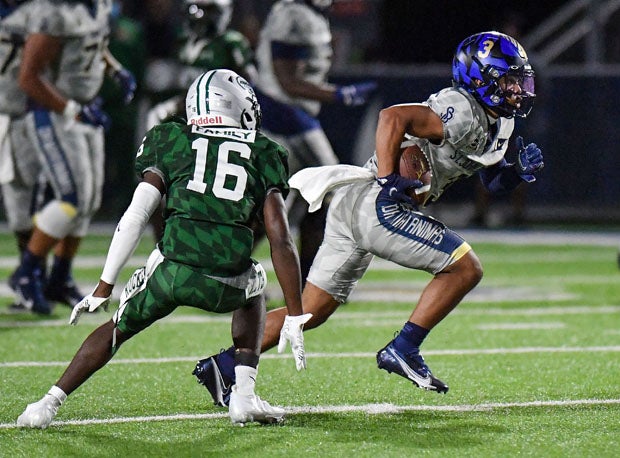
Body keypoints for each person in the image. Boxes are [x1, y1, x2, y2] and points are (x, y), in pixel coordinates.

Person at [193, 31, 544, 405]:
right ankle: (404, 347)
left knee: (309, 312)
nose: (517, 89)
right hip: (376, 204)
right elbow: (391, 117)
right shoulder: (460, 110)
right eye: (508, 80)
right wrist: (389, 178)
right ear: (480, 78)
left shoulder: (499, 121)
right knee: (465, 268)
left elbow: (489, 176)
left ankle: (224, 366)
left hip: (353, 206)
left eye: (518, 80)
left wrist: (514, 173)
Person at [16, 69, 311, 429]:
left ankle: (46, 404)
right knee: (255, 287)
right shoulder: (266, 152)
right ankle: (244, 397)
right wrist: (295, 313)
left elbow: (137, 214)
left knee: (117, 329)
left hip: (170, 272)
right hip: (227, 281)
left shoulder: (170, 138)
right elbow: (280, 237)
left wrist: (104, 286)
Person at [8, 0, 136, 314]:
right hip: (55, 115)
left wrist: (115, 69)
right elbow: (29, 76)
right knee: (72, 198)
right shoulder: (54, 13)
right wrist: (72, 110)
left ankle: (60, 277)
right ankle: (27, 272)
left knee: (89, 202)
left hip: (85, 109)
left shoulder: (100, 6)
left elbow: (92, 46)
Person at [251, 0, 376, 281]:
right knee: (326, 192)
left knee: (292, 202)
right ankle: (310, 279)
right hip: (284, 116)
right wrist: (340, 95)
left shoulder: (305, 14)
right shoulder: (293, 15)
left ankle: (303, 278)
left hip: (288, 114)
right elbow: (287, 81)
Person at [145, 0, 257, 129]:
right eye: (196, 10)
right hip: (187, 103)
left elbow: (249, 81)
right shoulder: (183, 42)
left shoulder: (230, 43)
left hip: (218, 107)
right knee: (156, 115)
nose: (200, 16)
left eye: (208, 11)